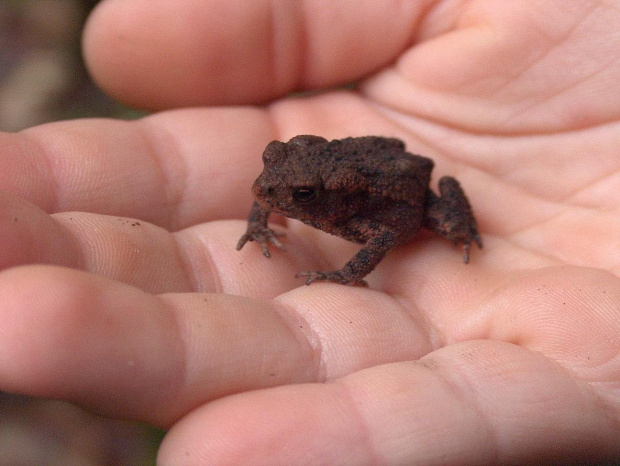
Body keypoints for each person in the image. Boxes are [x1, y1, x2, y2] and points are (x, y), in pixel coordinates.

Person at [0, 1, 618, 463]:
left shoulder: (356, 212)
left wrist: (343, 275)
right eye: (272, 172)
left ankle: (463, 232)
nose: (268, 192)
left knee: (443, 215)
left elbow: (381, 237)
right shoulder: (288, 189)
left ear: (319, 201)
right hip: (351, 161)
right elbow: (266, 192)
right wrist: (258, 224)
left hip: (408, 191)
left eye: (292, 198)